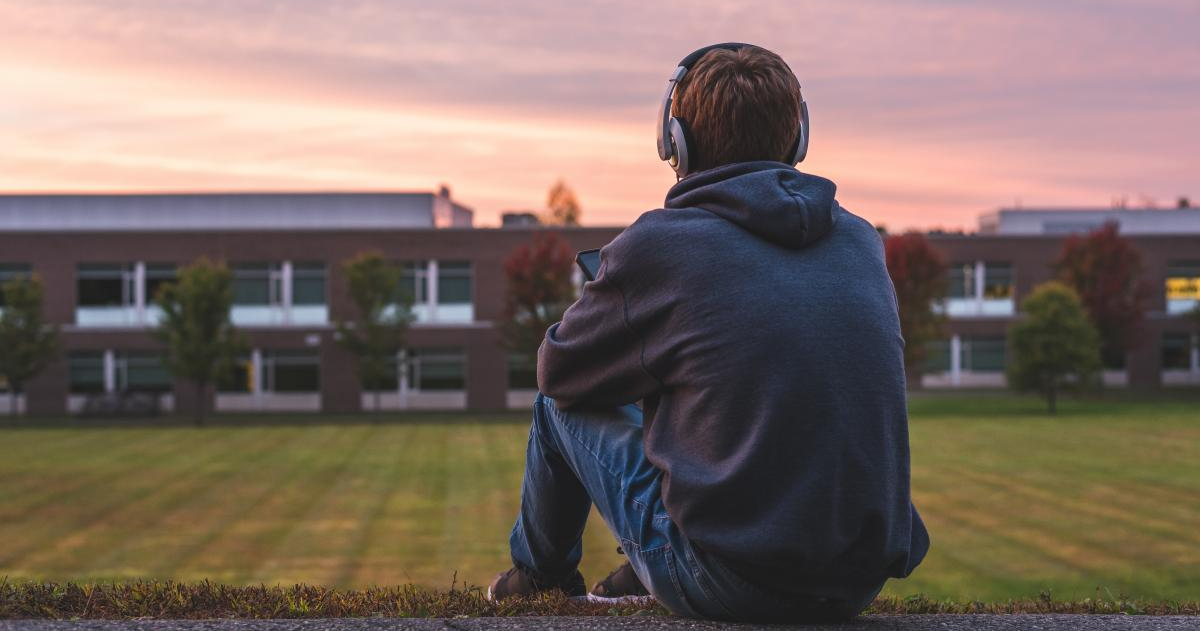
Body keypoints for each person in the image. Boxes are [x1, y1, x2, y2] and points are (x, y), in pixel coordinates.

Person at [487, 42, 929, 623]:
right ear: (797, 138)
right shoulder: (859, 241)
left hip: (728, 580)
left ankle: (539, 578)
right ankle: (641, 572)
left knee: (556, 406)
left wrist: (618, 304)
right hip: (854, 583)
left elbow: (561, 369)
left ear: (676, 140)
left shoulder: (661, 244)